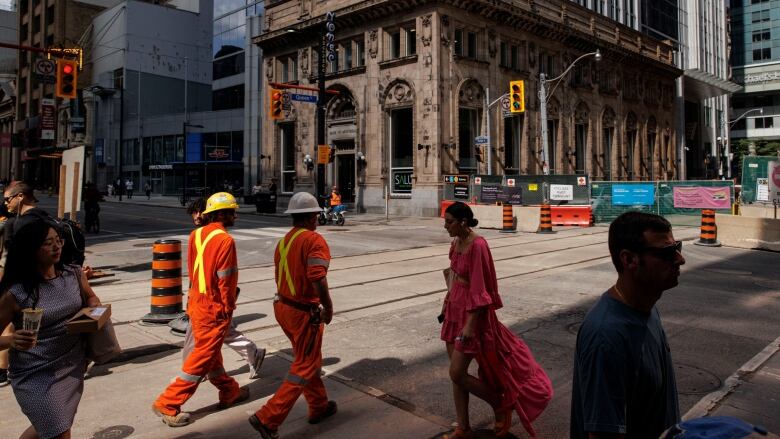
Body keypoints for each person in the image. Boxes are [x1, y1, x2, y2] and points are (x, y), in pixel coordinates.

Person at [440, 202, 553, 438]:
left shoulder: (478, 245)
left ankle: (499, 403)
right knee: (456, 375)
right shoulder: (456, 243)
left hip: (473, 316)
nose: (445, 226)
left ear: (462, 222)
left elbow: (481, 287)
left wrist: (471, 324)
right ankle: (463, 426)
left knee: (457, 373)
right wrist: (445, 303)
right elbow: (454, 278)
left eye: (449, 221)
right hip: (453, 310)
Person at [570, 211, 685, 439]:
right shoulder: (607, 335)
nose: (680, 259)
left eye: (677, 247)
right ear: (629, 259)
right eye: (667, 253)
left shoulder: (648, 308)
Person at [153, 192, 248, 427]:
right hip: (213, 307)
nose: (235, 215)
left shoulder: (196, 234)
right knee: (202, 356)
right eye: (232, 212)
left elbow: (194, 272)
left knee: (211, 353)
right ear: (222, 214)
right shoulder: (225, 240)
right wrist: (228, 306)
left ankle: (229, 391)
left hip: (196, 302)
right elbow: (226, 278)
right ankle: (168, 402)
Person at [0, 218, 102, 439]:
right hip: (35, 374)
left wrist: (93, 309)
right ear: (31, 249)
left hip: (72, 365)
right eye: (48, 243)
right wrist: (12, 340)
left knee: (51, 427)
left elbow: (92, 297)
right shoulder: (16, 293)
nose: (56, 247)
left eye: (59, 241)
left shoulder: (74, 274)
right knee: (58, 428)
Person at [249, 191, 337, 439]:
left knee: (306, 358)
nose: (318, 219)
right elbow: (317, 277)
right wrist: (328, 308)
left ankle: (318, 405)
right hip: (302, 312)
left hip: (283, 307)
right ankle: (268, 418)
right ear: (311, 217)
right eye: (316, 215)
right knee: (306, 364)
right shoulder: (313, 240)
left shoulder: (285, 241)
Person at [181, 197, 266, 379]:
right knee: (216, 334)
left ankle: (193, 372)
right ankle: (248, 355)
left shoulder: (220, 239)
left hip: (213, 300)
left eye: (198, 212)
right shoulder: (197, 235)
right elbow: (194, 271)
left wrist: (227, 305)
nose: (196, 216)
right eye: (194, 213)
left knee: (204, 336)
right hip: (202, 299)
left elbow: (225, 276)